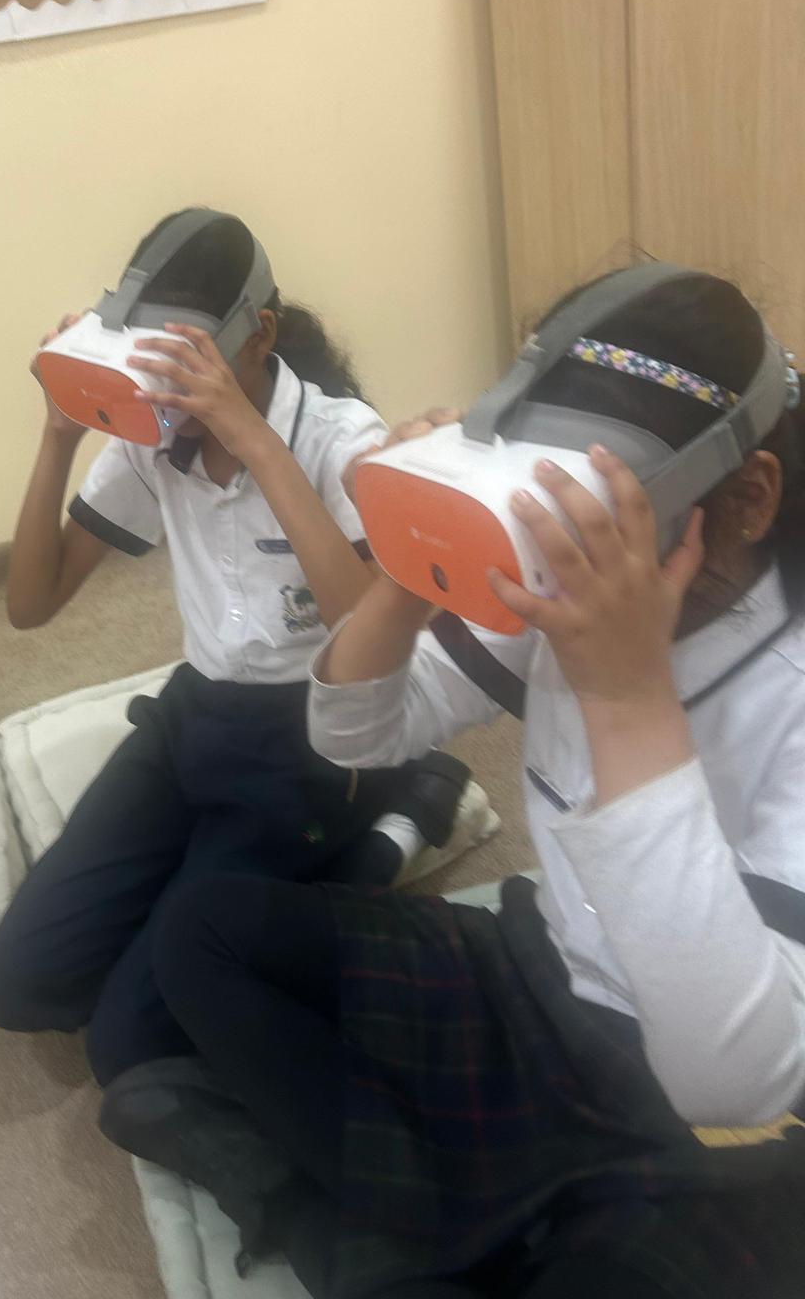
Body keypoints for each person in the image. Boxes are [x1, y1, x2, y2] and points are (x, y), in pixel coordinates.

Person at [136, 269, 805, 1297]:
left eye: (607, 516)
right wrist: (411, 563)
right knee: (203, 930)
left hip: (705, 1117)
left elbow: (731, 1075)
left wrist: (627, 698)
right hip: (546, 980)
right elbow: (356, 734)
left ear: (749, 497)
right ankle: (441, 1226)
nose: (564, 557)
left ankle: (367, 1216)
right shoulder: (557, 577)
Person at [0, 209, 478, 1088]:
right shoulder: (155, 440)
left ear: (259, 336)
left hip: (317, 737)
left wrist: (252, 437)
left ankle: (393, 825)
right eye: (152, 361)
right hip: (197, 716)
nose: (168, 395)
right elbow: (31, 604)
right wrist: (60, 433)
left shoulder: (340, 439)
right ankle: (246, 874)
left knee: (132, 1044)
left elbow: (368, 634)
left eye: (188, 361)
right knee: (20, 986)